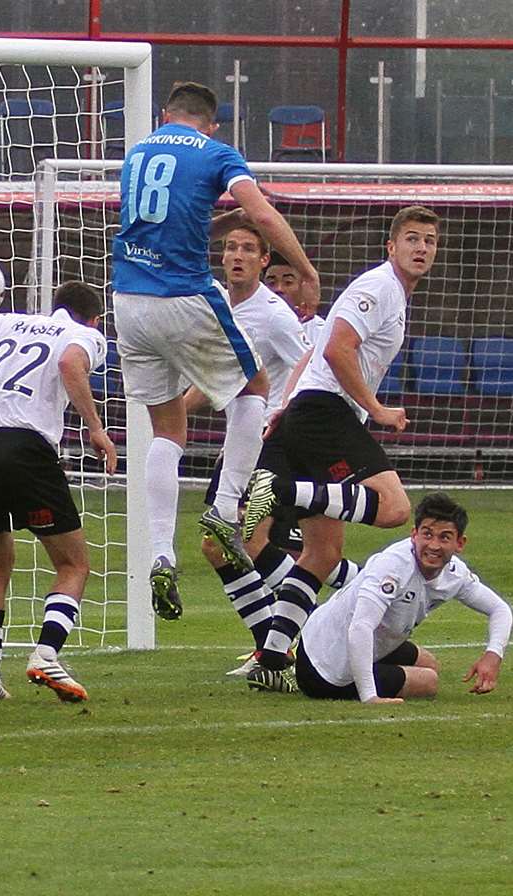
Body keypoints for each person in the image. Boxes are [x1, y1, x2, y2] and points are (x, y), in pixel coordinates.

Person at [111, 81, 320, 622]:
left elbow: (165, 222)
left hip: (129, 301)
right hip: (182, 293)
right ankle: (226, 512)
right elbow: (265, 214)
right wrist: (306, 268)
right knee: (254, 390)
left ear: (165, 115)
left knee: (167, 429)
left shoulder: (138, 152)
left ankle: (160, 552)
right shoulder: (217, 152)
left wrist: (218, 223)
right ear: (212, 124)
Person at [243, 205, 440, 692]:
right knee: (395, 509)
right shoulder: (379, 287)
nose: (420, 248)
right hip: (329, 410)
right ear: (391, 247)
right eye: (411, 239)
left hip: (308, 411)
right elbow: (337, 349)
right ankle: (287, 492)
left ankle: (270, 658)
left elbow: (316, 348)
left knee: (323, 553)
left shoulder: (393, 295)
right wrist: (375, 408)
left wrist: (282, 408)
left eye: (429, 241)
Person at [0, 281, 117, 703]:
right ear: (94, 318)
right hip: (25, 448)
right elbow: (71, 366)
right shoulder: (85, 335)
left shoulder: (6, 320)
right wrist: (95, 428)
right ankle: (46, 654)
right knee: (74, 564)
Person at [184, 224, 314, 665]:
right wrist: (174, 417)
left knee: (249, 540)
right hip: (241, 444)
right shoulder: (218, 305)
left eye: (248, 249)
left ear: (263, 261)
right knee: (217, 545)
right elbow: (220, 379)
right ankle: (274, 642)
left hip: (273, 442)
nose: (237, 255)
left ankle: (312, 626)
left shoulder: (274, 315)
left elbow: (311, 370)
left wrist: (288, 423)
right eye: (230, 247)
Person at [296, 492, 509, 702]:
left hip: (348, 640)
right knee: (429, 681)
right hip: (323, 667)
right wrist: (370, 696)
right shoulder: (393, 567)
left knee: (430, 664)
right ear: (414, 534)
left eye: (444, 537)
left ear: (460, 543)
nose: (433, 545)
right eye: (427, 534)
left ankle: (372, 670)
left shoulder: (455, 574)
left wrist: (493, 655)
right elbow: (360, 627)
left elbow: (500, 610)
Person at [265, 251, 326, 347]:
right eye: (271, 283)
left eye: (288, 282)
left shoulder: (320, 332)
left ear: (303, 286)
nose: (278, 289)